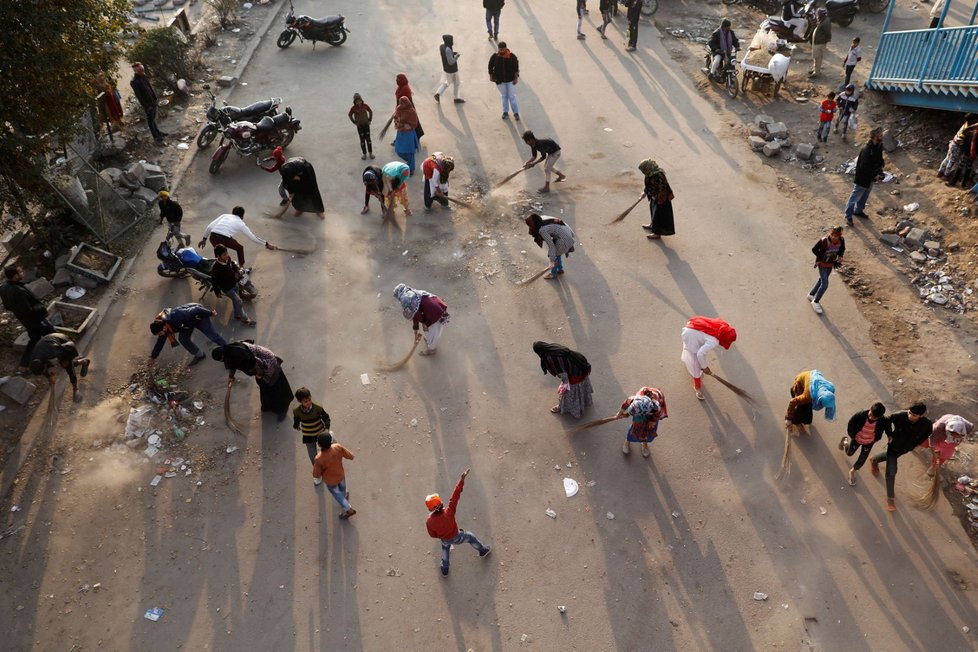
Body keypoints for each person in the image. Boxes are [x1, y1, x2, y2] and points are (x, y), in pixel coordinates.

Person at [426, 468, 491, 576]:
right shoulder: (449, 512)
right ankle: (483, 550)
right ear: (441, 503)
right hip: (457, 536)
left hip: (444, 539)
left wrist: (441, 536)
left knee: (445, 550)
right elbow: (454, 497)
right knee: (470, 537)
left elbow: (432, 534)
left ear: (430, 509)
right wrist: (461, 480)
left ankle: (445, 569)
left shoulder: (429, 521)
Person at [871, 402, 932, 511]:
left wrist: (916, 444)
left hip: (905, 449)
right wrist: (889, 434)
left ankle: (874, 459)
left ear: (921, 416)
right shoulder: (900, 415)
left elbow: (926, 434)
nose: (910, 416)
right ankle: (890, 498)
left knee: (891, 458)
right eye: (909, 412)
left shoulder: (927, 424)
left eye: (914, 415)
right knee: (891, 472)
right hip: (893, 446)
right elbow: (887, 421)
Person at [212, 340, 293, 420]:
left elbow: (255, 364)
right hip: (257, 365)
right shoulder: (229, 351)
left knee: (274, 387)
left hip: (267, 364)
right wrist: (231, 376)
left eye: (221, 360)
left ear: (222, 357)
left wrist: (259, 376)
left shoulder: (239, 354)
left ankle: (282, 409)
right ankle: (268, 406)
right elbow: (232, 364)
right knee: (265, 388)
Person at [1, 264, 55, 372]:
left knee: (34, 339)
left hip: (25, 320)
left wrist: (18, 311)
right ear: (15, 276)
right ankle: (67, 354)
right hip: (35, 319)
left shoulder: (3, 288)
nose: (22, 273)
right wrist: (42, 309)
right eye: (20, 272)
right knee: (53, 334)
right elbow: (28, 310)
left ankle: (24, 365)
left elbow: (7, 306)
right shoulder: (18, 291)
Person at [148, 303, 227, 367]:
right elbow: (160, 343)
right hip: (186, 325)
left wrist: (210, 313)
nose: (160, 335)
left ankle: (228, 351)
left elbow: (196, 310)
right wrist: (153, 357)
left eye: (160, 333)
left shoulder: (177, 317)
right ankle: (200, 355)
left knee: (212, 336)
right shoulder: (163, 325)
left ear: (164, 328)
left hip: (198, 317)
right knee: (183, 339)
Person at [680, 316, 737, 400]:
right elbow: (700, 354)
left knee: (696, 355)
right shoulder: (713, 341)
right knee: (696, 362)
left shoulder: (721, 327)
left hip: (693, 325)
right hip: (690, 335)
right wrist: (705, 367)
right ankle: (697, 386)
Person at [531, 341, 593, 418]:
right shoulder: (554, 347)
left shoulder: (550, 358)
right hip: (581, 366)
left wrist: (565, 384)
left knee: (569, 393)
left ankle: (565, 407)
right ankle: (584, 401)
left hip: (576, 374)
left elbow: (563, 374)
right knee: (579, 387)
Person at [198, 206, 277, 266]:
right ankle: (241, 268)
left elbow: (210, 226)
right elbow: (253, 237)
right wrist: (266, 244)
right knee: (240, 248)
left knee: (220, 253)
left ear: (232, 213)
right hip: (224, 238)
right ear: (242, 216)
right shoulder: (240, 223)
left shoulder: (224, 215)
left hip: (212, 237)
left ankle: (220, 266)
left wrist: (204, 239)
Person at [839, 402, 891, 487]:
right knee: (849, 453)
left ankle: (852, 471)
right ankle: (845, 442)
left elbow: (888, 428)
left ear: (880, 417)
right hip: (857, 439)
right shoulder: (861, 415)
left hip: (869, 442)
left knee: (862, 459)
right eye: (870, 414)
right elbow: (851, 423)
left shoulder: (883, 421)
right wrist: (852, 435)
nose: (871, 417)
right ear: (870, 409)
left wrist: (889, 436)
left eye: (874, 418)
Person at [29, 333, 90, 403]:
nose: (44, 371)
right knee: (62, 364)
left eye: (44, 370)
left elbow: (71, 346)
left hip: (63, 341)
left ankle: (75, 390)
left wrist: (68, 360)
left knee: (68, 366)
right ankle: (84, 361)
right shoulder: (34, 361)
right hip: (49, 343)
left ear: (44, 365)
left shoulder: (53, 353)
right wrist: (49, 378)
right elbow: (44, 370)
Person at [393, 283, 450, 356]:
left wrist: (425, 323)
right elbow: (415, 313)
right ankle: (429, 341)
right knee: (431, 329)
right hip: (437, 305)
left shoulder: (406, 299)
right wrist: (415, 329)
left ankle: (432, 350)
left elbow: (416, 314)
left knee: (431, 330)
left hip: (433, 312)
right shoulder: (413, 292)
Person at [844, 127, 885, 224]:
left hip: (870, 177)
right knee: (855, 196)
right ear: (874, 137)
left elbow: (879, 158)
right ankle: (848, 216)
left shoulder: (878, 145)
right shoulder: (867, 149)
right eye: (880, 135)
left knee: (865, 195)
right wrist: (875, 175)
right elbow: (864, 166)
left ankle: (858, 211)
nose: (882, 137)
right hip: (863, 177)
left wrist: (880, 168)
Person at [313, 431, 356, 520]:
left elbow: (316, 474)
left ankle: (349, 509)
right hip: (340, 474)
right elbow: (350, 455)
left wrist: (317, 475)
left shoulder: (319, 458)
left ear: (319, 445)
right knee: (343, 488)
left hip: (330, 481)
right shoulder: (337, 447)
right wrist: (351, 456)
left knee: (337, 494)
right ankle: (344, 495)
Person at [617, 387, 668, 457]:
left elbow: (655, 417)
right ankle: (628, 440)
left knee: (648, 430)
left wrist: (651, 422)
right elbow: (626, 404)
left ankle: (644, 443)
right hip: (643, 409)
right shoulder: (634, 399)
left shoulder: (656, 407)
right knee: (635, 426)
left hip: (653, 414)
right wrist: (620, 413)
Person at [210, 244, 254, 326]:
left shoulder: (228, 259)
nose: (227, 256)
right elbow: (214, 281)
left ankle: (237, 315)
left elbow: (232, 265)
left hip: (235, 284)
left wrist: (237, 269)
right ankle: (245, 319)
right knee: (239, 301)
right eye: (224, 255)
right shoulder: (216, 268)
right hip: (227, 289)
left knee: (236, 301)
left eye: (227, 253)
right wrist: (217, 292)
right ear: (218, 256)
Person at [525, 213, 576, 280]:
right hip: (568, 233)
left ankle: (553, 273)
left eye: (530, 226)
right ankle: (560, 269)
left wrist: (552, 261)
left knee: (554, 256)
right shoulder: (542, 218)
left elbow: (551, 246)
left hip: (564, 240)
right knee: (557, 255)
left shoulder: (542, 230)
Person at [784, 369, 836, 435]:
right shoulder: (807, 396)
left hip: (811, 379)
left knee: (808, 408)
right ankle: (794, 421)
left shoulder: (830, 388)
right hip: (800, 383)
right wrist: (788, 418)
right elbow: (793, 402)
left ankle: (805, 420)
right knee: (801, 408)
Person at [808, 225, 845, 315]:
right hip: (822, 264)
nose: (833, 237)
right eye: (832, 234)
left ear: (839, 236)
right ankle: (816, 301)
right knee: (825, 285)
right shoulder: (824, 241)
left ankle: (811, 294)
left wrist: (840, 257)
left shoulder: (842, 240)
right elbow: (814, 249)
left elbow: (842, 249)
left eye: (836, 236)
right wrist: (821, 257)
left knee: (821, 280)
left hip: (830, 265)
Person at [638, 158, 675, 239]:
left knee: (659, 215)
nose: (643, 172)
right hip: (655, 197)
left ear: (648, 167)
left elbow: (662, 189)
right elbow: (649, 186)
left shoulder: (658, 176)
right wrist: (645, 192)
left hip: (662, 199)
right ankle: (652, 225)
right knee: (654, 212)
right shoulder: (650, 173)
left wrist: (659, 200)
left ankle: (657, 233)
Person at [292, 387, 331, 464]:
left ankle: (328, 464)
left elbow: (326, 418)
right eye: (306, 401)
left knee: (327, 451)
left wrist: (326, 429)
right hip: (308, 436)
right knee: (313, 457)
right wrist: (296, 426)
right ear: (300, 401)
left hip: (320, 433)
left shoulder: (318, 408)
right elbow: (296, 420)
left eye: (309, 399)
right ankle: (317, 469)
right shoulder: (297, 411)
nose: (309, 402)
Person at [129, 62, 165, 142]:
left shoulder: (144, 77)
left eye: (142, 70)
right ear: (136, 71)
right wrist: (146, 106)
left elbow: (150, 88)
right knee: (150, 121)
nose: (142, 71)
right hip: (147, 104)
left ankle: (158, 133)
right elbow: (139, 96)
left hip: (153, 101)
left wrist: (155, 98)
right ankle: (156, 136)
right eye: (141, 70)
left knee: (153, 119)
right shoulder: (134, 82)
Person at [937, 114, 977, 180]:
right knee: (952, 161)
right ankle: (946, 175)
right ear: (973, 121)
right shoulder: (965, 132)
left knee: (947, 158)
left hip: (952, 143)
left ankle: (940, 172)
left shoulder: (966, 124)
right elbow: (962, 141)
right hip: (956, 146)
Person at [488, 42, 520, 120]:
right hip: (499, 80)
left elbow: (516, 68)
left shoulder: (512, 56)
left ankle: (516, 113)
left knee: (512, 96)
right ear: (498, 49)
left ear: (506, 48)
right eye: (500, 49)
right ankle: (505, 111)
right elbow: (490, 66)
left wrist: (516, 78)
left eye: (503, 49)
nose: (502, 51)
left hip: (510, 80)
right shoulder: (494, 56)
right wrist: (491, 76)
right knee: (504, 96)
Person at [393, 96, 421, 174]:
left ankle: (411, 168)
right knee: (399, 150)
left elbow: (415, 123)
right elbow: (395, 117)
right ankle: (409, 161)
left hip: (409, 134)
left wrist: (409, 126)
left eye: (403, 103)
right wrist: (396, 122)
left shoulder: (412, 111)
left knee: (410, 151)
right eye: (400, 103)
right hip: (400, 132)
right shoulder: (398, 108)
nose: (401, 105)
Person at [434, 35, 465, 104]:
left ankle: (438, 93)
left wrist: (452, 53)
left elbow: (446, 54)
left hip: (446, 69)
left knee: (447, 82)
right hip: (453, 70)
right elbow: (451, 62)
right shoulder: (448, 49)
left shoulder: (442, 45)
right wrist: (456, 56)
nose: (452, 42)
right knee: (457, 83)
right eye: (451, 40)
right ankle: (456, 98)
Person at [394, 74, 424, 142]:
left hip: (406, 109)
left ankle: (411, 138)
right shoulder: (400, 87)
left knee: (408, 122)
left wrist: (399, 108)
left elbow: (405, 102)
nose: (396, 81)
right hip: (401, 108)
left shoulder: (405, 89)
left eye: (398, 79)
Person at [348, 93, 374, 160]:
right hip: (360, 126)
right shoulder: (353, 108)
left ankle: (370, 153)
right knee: (362, 140)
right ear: (354, 102)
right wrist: (354, 122)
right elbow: (350, 115)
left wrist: (369, 120)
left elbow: (370, 111)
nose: (358, 102)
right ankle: (364, 154)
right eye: (356, 101)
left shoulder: (365, 106)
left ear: (361, 100)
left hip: (366, 125)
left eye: (359, 101)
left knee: (368, 139)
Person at [810, 8, 832, 77]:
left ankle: (816, 73)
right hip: (817, 42)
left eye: (818, 15)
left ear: (822, 15)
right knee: (816, 57)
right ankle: (815, 69)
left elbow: (827, 33)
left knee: (818, 58)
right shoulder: (822, 20)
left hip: (820, 43)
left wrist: (826, 40)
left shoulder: (826, 22)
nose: (817, 16)